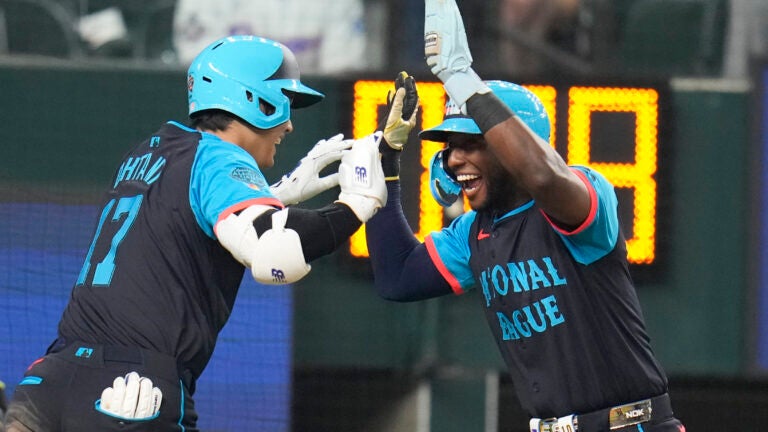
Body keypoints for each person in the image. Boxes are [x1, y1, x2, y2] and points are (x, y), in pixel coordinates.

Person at [3, 34, 387, 432]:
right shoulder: (221, 158)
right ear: (255, 101)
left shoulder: (153, 149)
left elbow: (187, 221)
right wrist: (356, 205)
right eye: (285, 103)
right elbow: (276, 255)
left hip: (49, 379)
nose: (289, 124)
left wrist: (275, 195)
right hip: (132, 390)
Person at [364, 1, 687, 430]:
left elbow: (542, 176)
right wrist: (382, 172)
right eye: (450, 145)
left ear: (516, 141)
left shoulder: (583, 192)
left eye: (472, 142)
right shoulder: (472, 232)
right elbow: (397, 277)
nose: (455, 158)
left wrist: (463, 79)